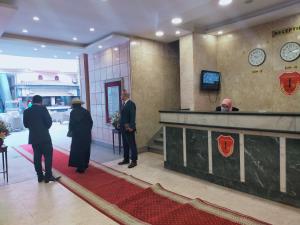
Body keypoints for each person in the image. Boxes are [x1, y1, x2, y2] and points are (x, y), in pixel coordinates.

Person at [23, 95, 59, 183]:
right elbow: (49, 122)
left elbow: (25, 125)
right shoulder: (43, 109)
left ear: (32, 101)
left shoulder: (27, 111)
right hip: (44, 137)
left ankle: (40, 176)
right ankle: (48, 176)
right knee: (48, 156)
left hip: (34, 138)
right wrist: (43, 128)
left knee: (37, 157)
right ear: (41, 101)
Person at [68, 98, 93, 173]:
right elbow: (91, 122)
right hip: (86, 134)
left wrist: (71, 131)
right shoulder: (86, 111)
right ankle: (85, 164)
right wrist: (87, 130)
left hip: (77, 135)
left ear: (74, 105)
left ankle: (80, 167)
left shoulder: (73, 112)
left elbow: (71, 124)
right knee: (85, 149)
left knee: (78, 150)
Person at [118, 89, 138, 168]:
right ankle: (126, 159)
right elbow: (123, 116)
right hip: (123, 128)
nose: (120, 96)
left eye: (121, 95)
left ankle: (134, 161)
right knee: (125, 144)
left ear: (125, 96)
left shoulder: (131, 104)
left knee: (132, 144)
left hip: (129, 128)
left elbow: (133, 116)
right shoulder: (123, 104)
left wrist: (131, 127)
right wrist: (119, 123)